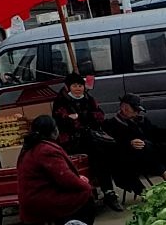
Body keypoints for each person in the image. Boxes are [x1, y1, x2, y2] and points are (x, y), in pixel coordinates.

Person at [51, 71, 123, 211]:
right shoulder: (60, 102)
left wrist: (81, 117)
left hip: (93, 138)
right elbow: (63, 122)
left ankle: (111, 190)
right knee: (97, 151)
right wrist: (83, 119)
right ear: (68, 87)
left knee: (108, 148)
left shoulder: (89, 99)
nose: (78, 89)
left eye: (80, 85)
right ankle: (108, 192)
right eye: (75, 86)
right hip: (72, 141)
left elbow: (99, 116)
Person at [16, 115, 98, 225]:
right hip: (40, 200)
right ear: (54, 131)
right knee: (85, 194)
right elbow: (65, 177)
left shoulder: (32, 147)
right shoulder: (45, 150)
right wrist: (85, 185)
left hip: (37, 196)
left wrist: (78, 178)